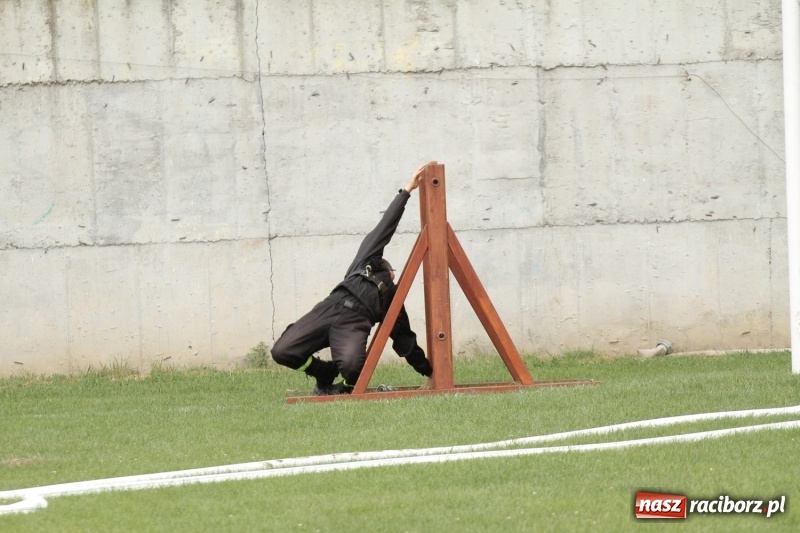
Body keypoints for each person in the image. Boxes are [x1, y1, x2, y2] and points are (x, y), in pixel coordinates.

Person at [271, 164, 434, 395]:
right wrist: (407, 190)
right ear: (385, 266)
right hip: (331, 306)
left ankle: (345, 387)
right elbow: (385, 227)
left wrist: (428, 371)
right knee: (282, 351)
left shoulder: (393, 299)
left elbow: (404, 341)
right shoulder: (366, 261)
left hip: (355, 323)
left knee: (352, 369)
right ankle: (323, 373)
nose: (393, 273)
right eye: (391, 269)